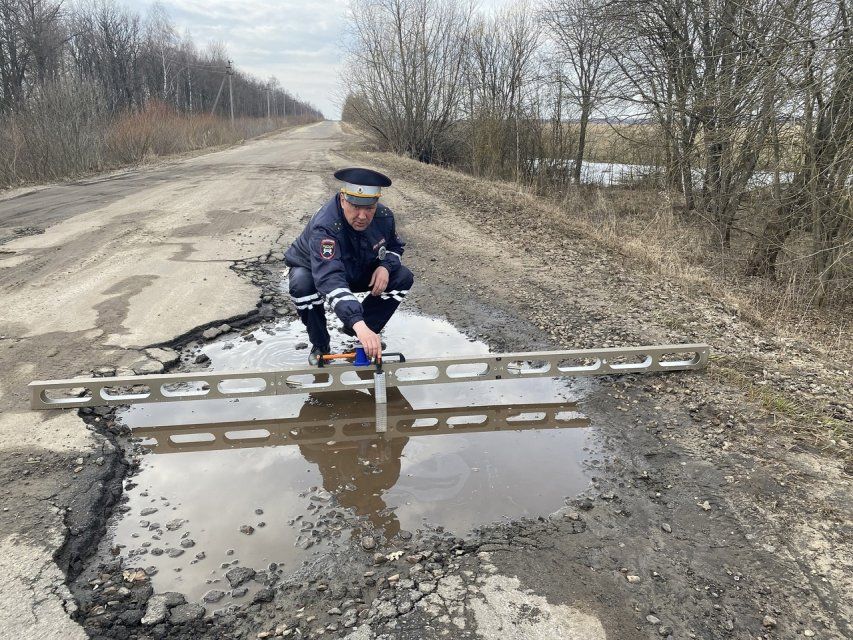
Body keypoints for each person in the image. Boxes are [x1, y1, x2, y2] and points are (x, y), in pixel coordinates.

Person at [284, 168, 414, 365]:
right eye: (355, 207)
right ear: (344, 199)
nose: (362, 216)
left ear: (376, 203)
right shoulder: (326, 226)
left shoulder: (384, 216)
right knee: (302, 285)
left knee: (403, 276)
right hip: (315, 269)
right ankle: (321, 345)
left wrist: (386, 266)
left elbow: (395, 247)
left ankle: (362, 333)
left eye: (369, 208)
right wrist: (356, 319)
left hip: (355, 267)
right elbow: (329, 278)